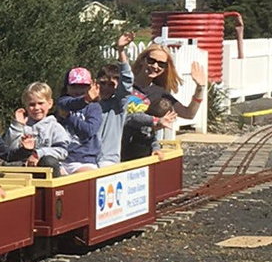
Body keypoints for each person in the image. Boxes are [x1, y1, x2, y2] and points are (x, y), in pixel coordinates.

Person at [2, 82, 72, 172]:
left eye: (40, 103)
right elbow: (9, 149)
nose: (36, 108)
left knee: (48, 161)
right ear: (26, 106)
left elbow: (63, 151)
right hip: (24, 169)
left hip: (47, 170)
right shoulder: (21, 127)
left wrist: (38, 154)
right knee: (7, 164)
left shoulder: (54, 127)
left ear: (50, 103)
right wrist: (17, 126)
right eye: (32, 104)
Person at [133, 42, 204, 123]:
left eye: (161, 64)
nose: (155, 66)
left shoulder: (160, 93)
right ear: (142, 60)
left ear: (165, 68)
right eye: (151, 61)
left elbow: (188, 114)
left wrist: (200, 88)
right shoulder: (126, 84)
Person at [95, 35, 136, 163]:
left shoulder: (118, 105)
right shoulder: (88, 104)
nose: (105, 88)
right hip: (87, 159)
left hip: (108, 160)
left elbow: (127, 81)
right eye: (102, 83)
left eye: (111, 85)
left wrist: (121, 50)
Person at [57, 67, 105, 172]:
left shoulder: (94, 107)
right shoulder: (63, 102)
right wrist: (85, 100)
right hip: (62, 159)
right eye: (74, 86)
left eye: (83, 86)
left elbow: (89, 130)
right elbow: (72, 103)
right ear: (67, 87)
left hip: (84, 161)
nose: (78, 90)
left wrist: (69, 117)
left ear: (91, 86)